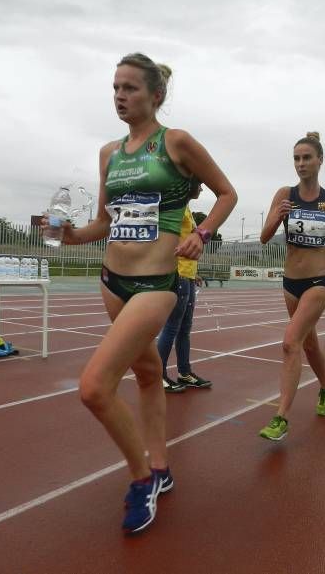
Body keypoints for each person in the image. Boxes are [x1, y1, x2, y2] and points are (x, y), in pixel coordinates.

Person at [48, 53, 236, 534]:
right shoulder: (109, 153)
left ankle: (142, 478)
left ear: (156, 96)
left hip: (157, 283)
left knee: (94, 387)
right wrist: (69, 235)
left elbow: (226, 192)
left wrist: (205, 233)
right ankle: (161, 465)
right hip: (113, 280)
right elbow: (105, 223)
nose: (119, 96)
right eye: (115, 88)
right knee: (149, 374)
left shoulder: (176, 142)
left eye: (129, 88)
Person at [258, 132, 325, 441]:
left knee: (291, 342)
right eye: (296, 158)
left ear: (320, 160)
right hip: (291, 282)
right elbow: (265, 237)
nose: (301, 163)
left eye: (307, 157)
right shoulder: (284, 193)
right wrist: (276, 218)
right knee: (309, 344)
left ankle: (281, 417)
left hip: (320, 280)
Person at [158, 180, 213, 392]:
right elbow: (168, 239)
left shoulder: (187, 208)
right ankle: (157, 374)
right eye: (198, 183)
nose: (201, 188)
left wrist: (194, 273)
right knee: (172, 326)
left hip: (188, 275)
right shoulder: (175, 206)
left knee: (185, 328)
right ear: (186, 184)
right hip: (177, 274)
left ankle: (184, 372)